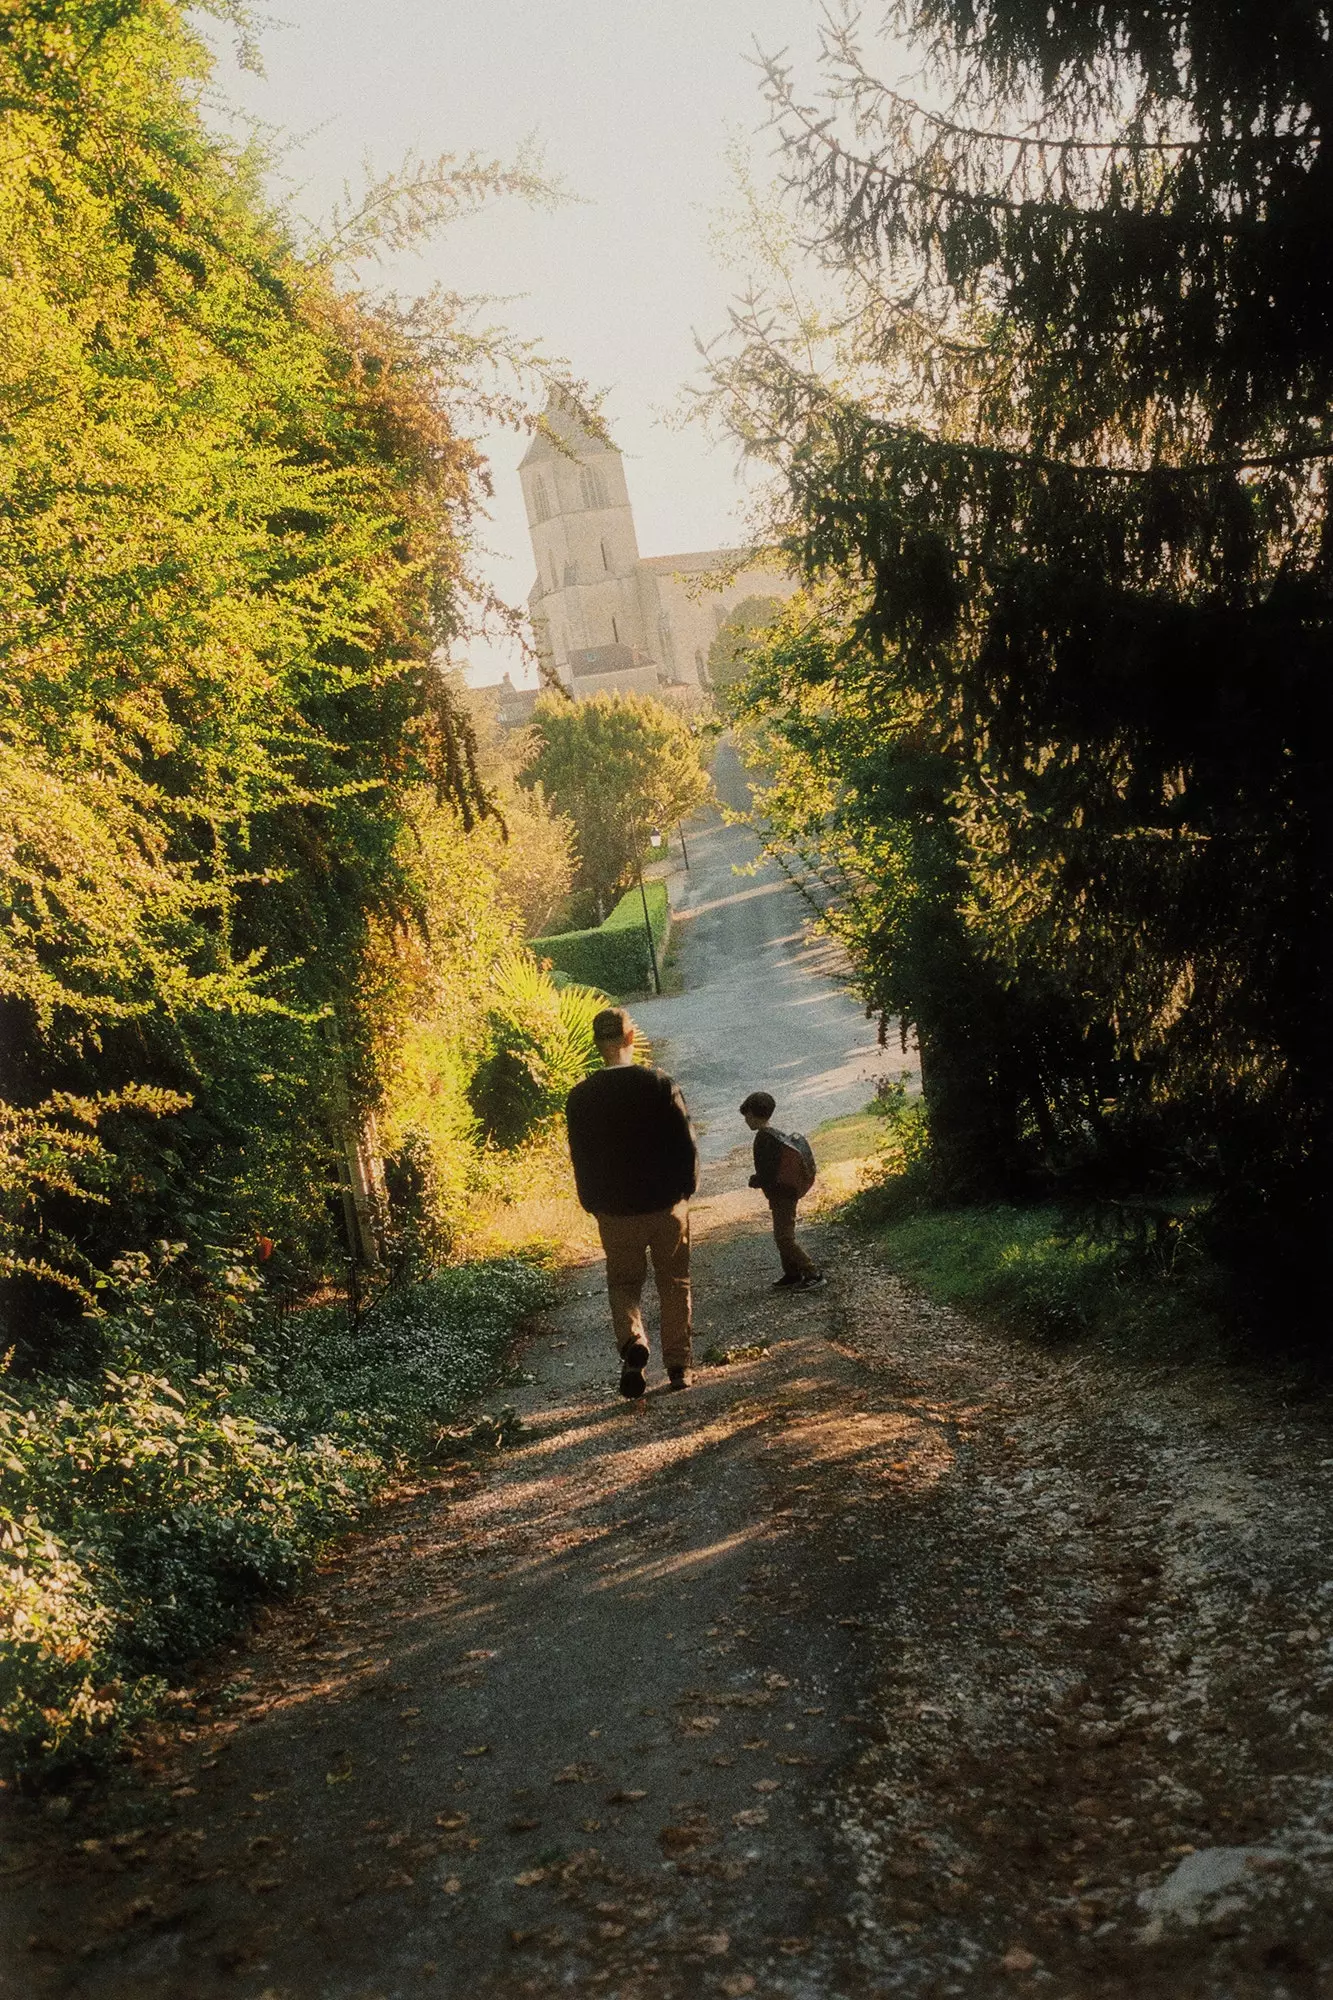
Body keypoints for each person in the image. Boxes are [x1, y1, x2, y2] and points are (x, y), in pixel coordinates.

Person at [565, 1006, 698, 1397]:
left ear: (597, 1044)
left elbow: (581, 1156)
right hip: (665, 1205)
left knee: (624, 1284)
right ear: (630, 1038)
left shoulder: (581, 1097)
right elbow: (684, 1144)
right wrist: (685, 1190)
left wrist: (592, 1202)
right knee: (674, 1283)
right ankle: (678, 1367)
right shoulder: (659, 1085)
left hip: (615, 1210)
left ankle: (632, 1343)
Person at [740, 1090, 824, 1289]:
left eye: (747, 1117)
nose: (746, 1121)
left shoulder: (763, 1139)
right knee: (781, 1235)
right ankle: (791, 1273)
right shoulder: (776, 1134)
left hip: (782, 1194)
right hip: (786, 1191)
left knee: (785, 1237)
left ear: (753, 1114)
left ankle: (812, 1271)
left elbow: (767, 1172)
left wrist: (755, 1180)